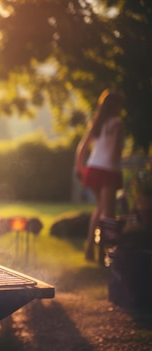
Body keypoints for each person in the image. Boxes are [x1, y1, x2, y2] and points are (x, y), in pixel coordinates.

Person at [75, 89, 125, 262]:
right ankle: (105, 253)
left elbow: (81, 147)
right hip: (108, 170)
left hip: (94, 168)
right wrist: (118, 168)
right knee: (108, 214)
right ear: (116, 106)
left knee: (99, 210)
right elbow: (116, 153)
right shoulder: (117, 124)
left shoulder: (97, 124)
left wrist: (79, 167)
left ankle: (91, 248)